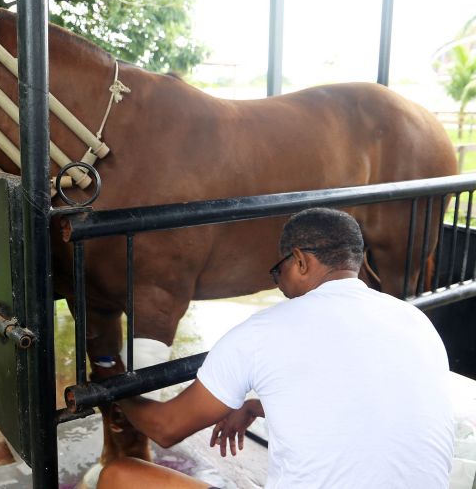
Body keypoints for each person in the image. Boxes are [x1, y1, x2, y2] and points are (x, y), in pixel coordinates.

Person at [97, 208, 454, 489]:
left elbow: (166, 428)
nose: (278, 284)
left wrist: (115, 387)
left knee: (119, 475)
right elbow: (361, 394)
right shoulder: (414, 319)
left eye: (276, 271)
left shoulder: (263, 332)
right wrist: (254, 406)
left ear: (300, 261)